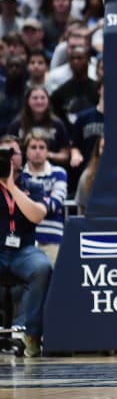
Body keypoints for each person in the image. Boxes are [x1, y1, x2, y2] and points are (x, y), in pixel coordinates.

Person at [0, 134, 52, 357]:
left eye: (11, 153)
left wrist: (11, 186)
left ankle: (30, 335)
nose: (8, 159)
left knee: (42, 267)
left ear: (21, 157)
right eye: (2, 154)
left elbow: (38, 215)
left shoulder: (32, 184)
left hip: (23, 250)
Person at [20, 129, 67, 265]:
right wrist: (44, 200)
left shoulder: (59, 173)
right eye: (33, 147)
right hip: (25, 239)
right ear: (26, 151)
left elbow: (56, 203)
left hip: (53, 238)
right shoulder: (20, 175)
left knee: (55, 280)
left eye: (42, 147)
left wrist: (29, 202)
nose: (37, 151)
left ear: (47, 151)